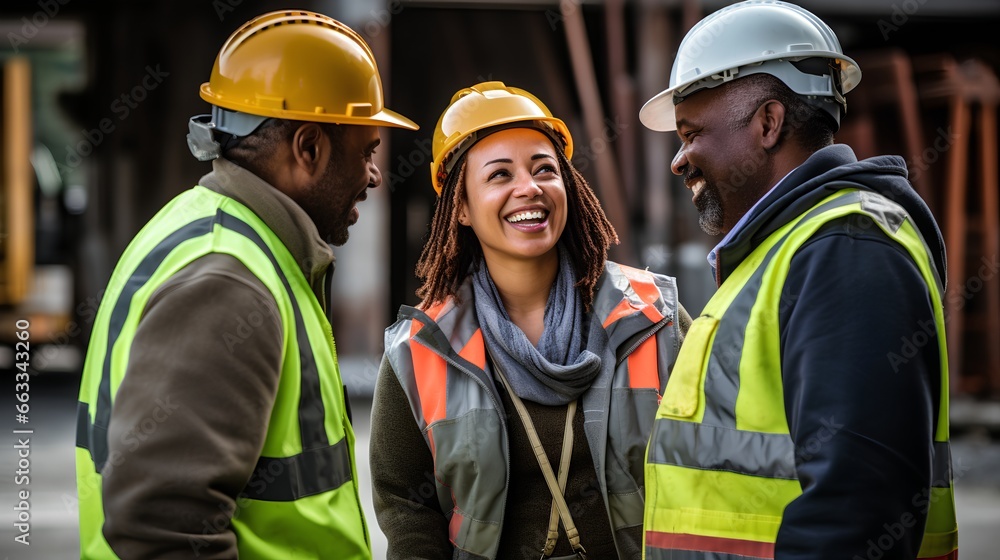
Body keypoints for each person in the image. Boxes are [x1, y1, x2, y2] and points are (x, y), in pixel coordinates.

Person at [74, 11, 417, 559]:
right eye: (368, 151)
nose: (375, 175)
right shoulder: (229, 280)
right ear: (309, 148)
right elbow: (161, 528)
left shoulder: (220, 234)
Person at [638, 2, 958, 559]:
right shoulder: (791, 248)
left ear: (768, 123)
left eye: (691, 133)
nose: (679, 160)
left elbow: (855, 510)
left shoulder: (847, 249)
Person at [369, 81, 691, 559]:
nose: (529, 188)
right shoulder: (422, 348)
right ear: (461, 207)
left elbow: (708, 465)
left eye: (545, 169)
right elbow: (407, 509)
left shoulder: (653, 316)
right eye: (500, 175)